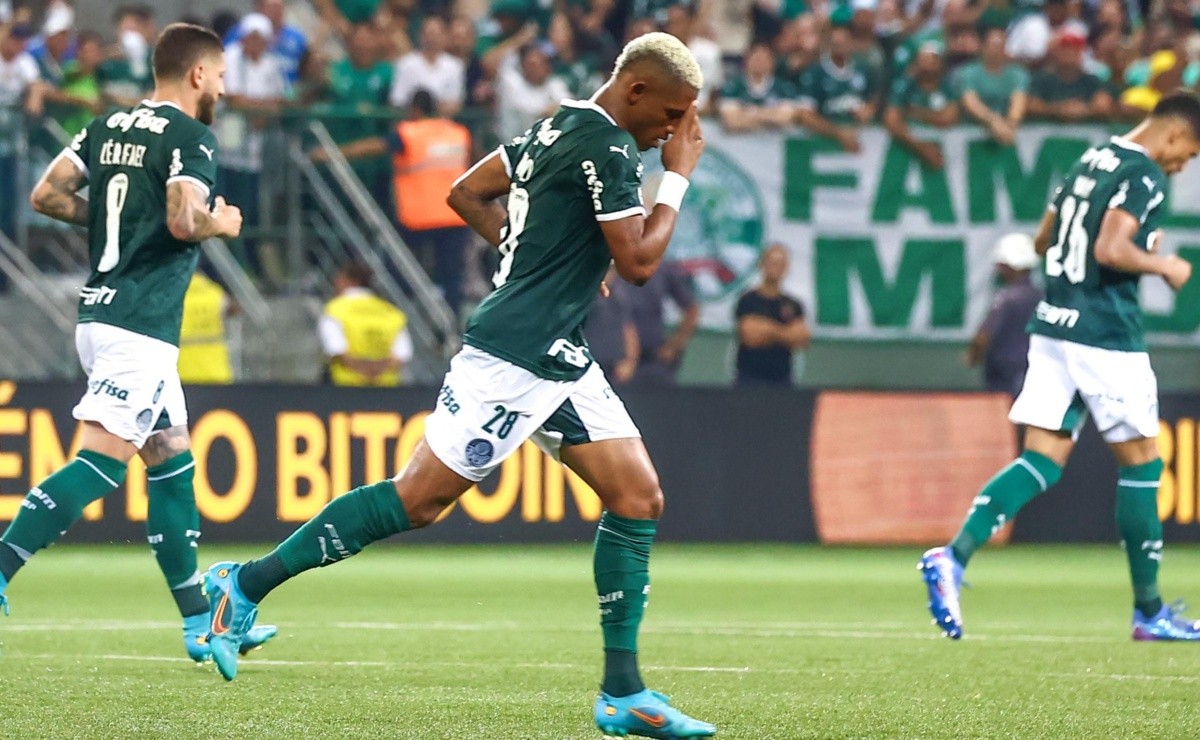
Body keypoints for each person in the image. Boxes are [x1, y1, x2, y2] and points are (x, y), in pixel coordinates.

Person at [199, 30, 716, 738]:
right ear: (635, 91)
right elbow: (640, 265)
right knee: (416, 502)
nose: (673, 132)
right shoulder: (611, 148)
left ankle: (622, 691)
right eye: (670, 115)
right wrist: (678, 175)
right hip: (510, 358)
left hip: (558, 353)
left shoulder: (555, 123)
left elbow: (468, 191)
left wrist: (538, 257)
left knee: (637, 496)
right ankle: (242, 584)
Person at [0, 23, 275, 661]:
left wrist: (120, 218)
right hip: (140, 324)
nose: (225, 87)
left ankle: (199, 622)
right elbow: (183, 219)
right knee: (99, 464)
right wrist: (222, 224)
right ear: (200, 75)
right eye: (224, 75)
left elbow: (47, 194)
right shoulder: (192, 137)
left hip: (101, 312)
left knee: (172, 467)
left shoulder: (106, 126)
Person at [920, 92, 1200, 642]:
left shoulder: (1089, 159)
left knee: (1043, 459)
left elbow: (1044, 239)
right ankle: (1149, 612)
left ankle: (952, 557)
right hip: (1104, 334)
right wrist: (1161, 262)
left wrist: (1128, 244)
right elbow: (1112, 251)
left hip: (1053, 327)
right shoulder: (1144, 176)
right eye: (1189, 152)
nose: (1184, 164)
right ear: (1173, 134)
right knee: (1144, 464)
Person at [965, 233, 1042, 398]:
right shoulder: (1042, 296)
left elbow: (984, 335)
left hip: (1004, 373)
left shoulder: (1005, 298)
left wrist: (973, 356)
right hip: (1036, 367)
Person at [319, 261, 412, 386]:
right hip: (386, 391)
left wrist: (363, 371)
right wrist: (376, 372)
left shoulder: (335, 310)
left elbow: (336, 349)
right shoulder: (392, 312)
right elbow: (402, 354)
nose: (335, 284)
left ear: (351, 281)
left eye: (339, 279)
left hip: (345, 390)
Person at [734, 244, 810, 386]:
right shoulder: (748, 300)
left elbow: (801, 339)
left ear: (786, 268)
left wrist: (766, 329)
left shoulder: (793, 304)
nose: (776, 268)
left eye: (781, 264)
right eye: (772, 262)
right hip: (749, 379)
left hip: (782, 380)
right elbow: (750, 337)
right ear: (762, 264)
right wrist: (784, 333)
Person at [619, 258, 698, 387]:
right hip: (614, 362)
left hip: (653, 360)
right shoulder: (609, 267)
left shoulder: (662, 269)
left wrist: (674, 345)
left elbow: (692, 310)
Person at [883, 38, 957, 170]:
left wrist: (915, 113)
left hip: (948, 153)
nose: (927, 65)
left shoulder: (947, 85)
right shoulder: (905, 85)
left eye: (932, 60)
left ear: (940, 63)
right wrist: (923, 149)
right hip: (906, 149)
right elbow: (891, 120)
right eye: (923, 59)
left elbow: (949, 118)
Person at [953, 24, 1029, 146]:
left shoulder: (1018, 74)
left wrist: (1010, 124)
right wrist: (993, 121)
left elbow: (1018, 101)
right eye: (993, 45)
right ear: (983, 47)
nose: (997, 50)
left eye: (1001, 46)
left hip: (1006, 132)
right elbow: (970, 102)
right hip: (973, 131)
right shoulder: (967, 72)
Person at [0, 22, 39, 242]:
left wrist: (34, 97)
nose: (19, 44)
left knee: (8, 201)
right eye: (15, 38)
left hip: (10, 141)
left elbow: (36, 84)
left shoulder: (25, 62)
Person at [1028, 28, 1113, 122]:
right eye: (1064, 49)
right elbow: (1032, 105)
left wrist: (1083, 109)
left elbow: (1104, 105)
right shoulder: (1042, 80)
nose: (1069, 54)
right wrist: (1058, 109)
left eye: (1074, 50)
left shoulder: (1092, 81)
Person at [388, 17, 464, 116]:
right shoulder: (406, 64)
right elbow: (397, 100)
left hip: (443, 124)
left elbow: (454, 101)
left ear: (445, 36)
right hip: (412, 122)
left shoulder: (455, 66)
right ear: (421, 36)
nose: (432, 39)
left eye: (436, 34)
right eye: (428, 34)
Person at [178, 271, 235, 384]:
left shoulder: (176, 296)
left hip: (183, 372)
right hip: (216, 372)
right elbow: (234, 309)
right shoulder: (215, 293)